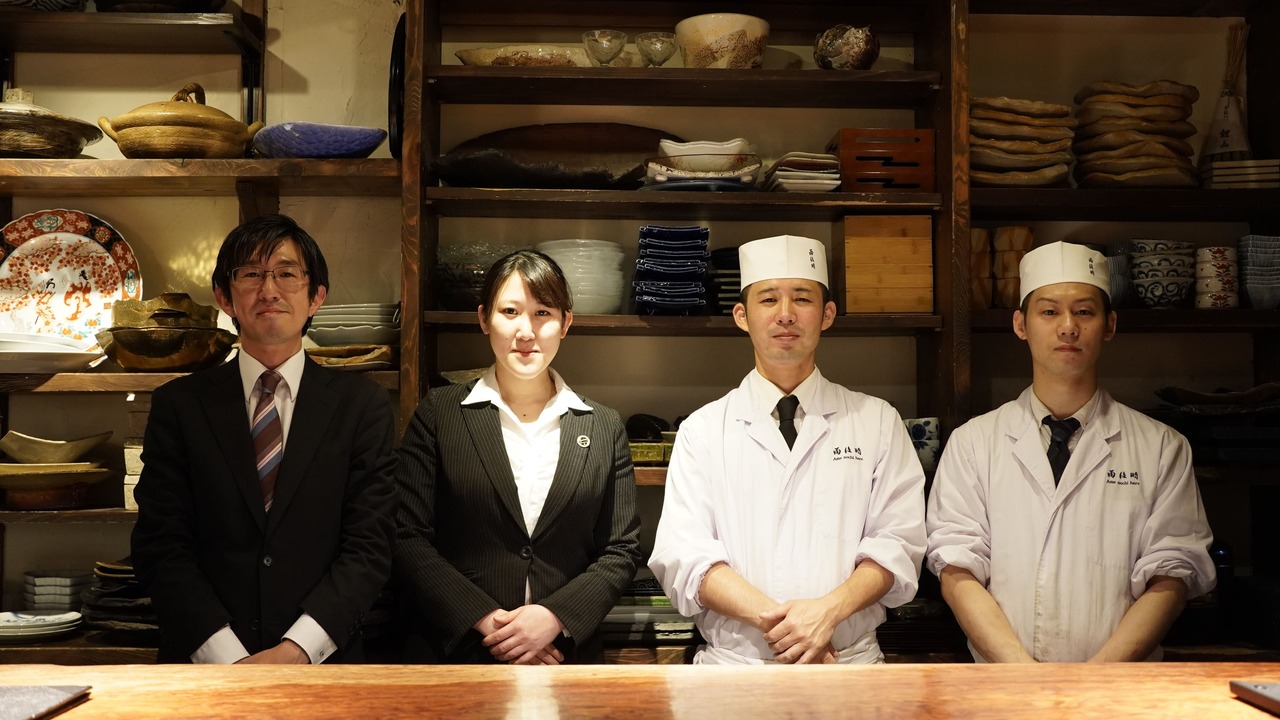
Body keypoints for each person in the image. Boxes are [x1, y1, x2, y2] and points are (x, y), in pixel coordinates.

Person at [925, 240, 1216, 663]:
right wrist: (1022, 674)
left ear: (1109, 324)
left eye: (1084, 311)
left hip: (1119, 691)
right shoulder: (973, 443)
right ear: (1021, 325)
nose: (1067, 327)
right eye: (1048, 311)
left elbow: (1172, 574)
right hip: (1005, 688)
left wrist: (1097, 680)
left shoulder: (1161, 447)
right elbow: (956, 568)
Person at [131, 213, 397, 664]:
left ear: (316, 297)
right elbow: (161, 543)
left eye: (287, 274)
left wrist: (297, 651)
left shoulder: (362, 407)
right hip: (205, 669)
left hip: (323, 667)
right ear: (224, 297)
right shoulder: (180, 406)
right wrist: (227, 659)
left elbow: (370, 546)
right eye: (251, 274)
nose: (269, 289)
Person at [648, 235, 927, 665]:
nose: (785, 315)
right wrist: (790, 628)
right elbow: (684, 554)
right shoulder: (702, 430)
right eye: (767, 299)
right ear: (742, 315)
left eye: (802, 298)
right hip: (737, 672)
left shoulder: (876, 421)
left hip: (846, 664)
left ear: (827, 314)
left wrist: (827, 613)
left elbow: (898, 542)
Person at [394, 249, 641, 664]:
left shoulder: (603, 426)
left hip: (564, 656)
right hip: (460, 654)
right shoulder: (440, 414)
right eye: (510, 311)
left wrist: (553, 618)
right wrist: (493, 626)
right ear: (483, 319)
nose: (526, 331)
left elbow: (622, 549)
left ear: (566, 323)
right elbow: (407, 535)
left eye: (543, 312)